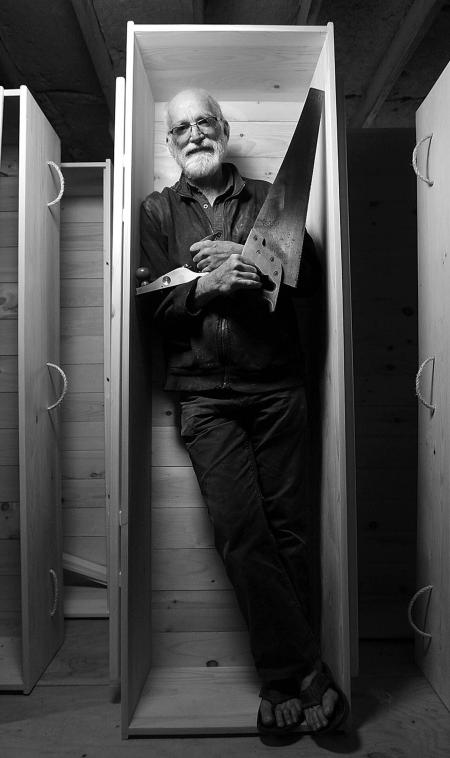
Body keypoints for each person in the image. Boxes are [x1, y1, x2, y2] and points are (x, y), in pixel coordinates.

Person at [137, 87, 349, 735]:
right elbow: (148, 305)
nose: (194, 133)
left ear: (223, 130)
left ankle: (279, 683)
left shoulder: (266, 200)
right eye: (181, 129)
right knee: (240, 530)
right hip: (203, 394)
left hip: (277, 385)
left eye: (204, 121)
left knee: (290, 533)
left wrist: (243, 261)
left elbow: (308, 281)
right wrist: (207, 286)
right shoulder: (155, 212)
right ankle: (308, 670)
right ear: (171, 144)